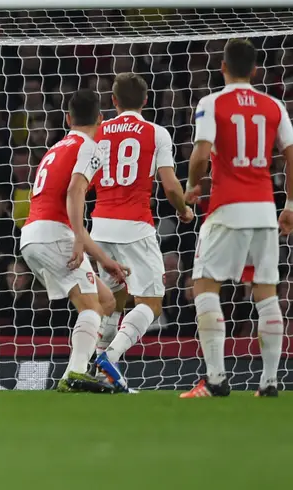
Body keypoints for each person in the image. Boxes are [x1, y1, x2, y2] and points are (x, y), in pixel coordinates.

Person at [182, 38, 293, 398]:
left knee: (205, 285)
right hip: (264, 209)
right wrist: (289, 204)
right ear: (256, 70)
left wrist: (192, 184)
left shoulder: (212, 102)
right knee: (266, 292)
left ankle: (215, 379)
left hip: (228, 207)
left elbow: (200, 152)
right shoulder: (274, 105)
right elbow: (291, 155)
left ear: (223, 67)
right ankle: (271, 382)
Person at [89, 73, 195, 392]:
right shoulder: (156, 133)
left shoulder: (98, 132)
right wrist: (184, 209)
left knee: (113, 300)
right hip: (135, 225)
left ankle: (99, 374)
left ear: (113, 100)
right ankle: (110, 356)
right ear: (146, 101)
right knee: (152, 302)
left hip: (100, 228)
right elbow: (170, 185)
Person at [21, 89, 127, 393]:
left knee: (105, 300)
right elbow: (75, 192)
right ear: (101, 119)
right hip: (55, 233)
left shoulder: (56, 148)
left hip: (34, 235)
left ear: (68, 118)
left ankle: (83, 368)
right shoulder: (90, 147)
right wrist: (80, 241)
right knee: (91, 306)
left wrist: (105, 261)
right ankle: (75, 373)